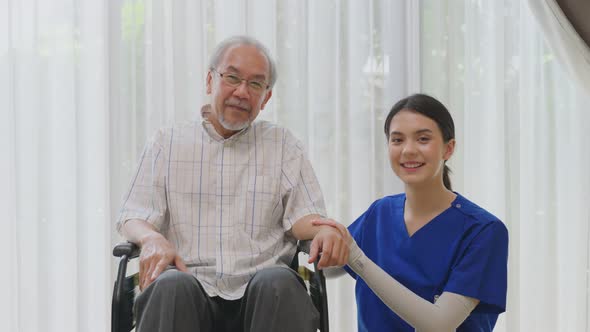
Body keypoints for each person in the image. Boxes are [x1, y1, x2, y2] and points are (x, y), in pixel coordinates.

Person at [116, 35, 348, 332]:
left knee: (278, 282)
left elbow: (303, 215)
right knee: (171, 285)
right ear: (210, 81)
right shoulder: (167, 142)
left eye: (255, 84)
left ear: (265, 98)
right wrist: (151, 238)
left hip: (263, 292)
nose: (242, 91)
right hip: (188, 287)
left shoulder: (283, 145)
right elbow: (132, 215)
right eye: (233, 78)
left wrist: (327, 228)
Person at [312, 93, 509, 331]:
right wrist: (327, 234)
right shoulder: (380, 213)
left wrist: (358, 259)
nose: (408, 150)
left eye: (423, 139)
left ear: (448, 149)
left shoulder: (483, 231)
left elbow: (439, 324)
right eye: (397, 140)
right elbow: (330, 265)